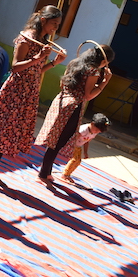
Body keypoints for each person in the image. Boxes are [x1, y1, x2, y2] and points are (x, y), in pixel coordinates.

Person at [0, 6, 65, 188]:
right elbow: (16, 67)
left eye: (58, 25)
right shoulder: (27, 38)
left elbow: (37, 70)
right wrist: (38, 57)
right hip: (15, 90)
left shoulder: (42, 40)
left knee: (10, 132)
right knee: (2, 129)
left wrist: (54, 63)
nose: (55, 28)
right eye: (54, 23)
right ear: (43, 20)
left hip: (29, 92)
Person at [35, 44, 115, 184]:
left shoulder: (74, 63)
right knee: (58, 141)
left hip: (61, 102)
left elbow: (63, 83)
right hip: (73, 107)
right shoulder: (93, 71)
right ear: (103, 61)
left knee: (55, 138)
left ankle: (46, 172)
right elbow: (88, 95)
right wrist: (104, 83)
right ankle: (43, 174)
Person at [60, 113, 110, 184]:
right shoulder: (83, 130)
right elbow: (74, 138)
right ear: (92, 124)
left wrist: (85, 152)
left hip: (78, 147)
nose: (96, 132)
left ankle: (68, 174)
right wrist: (69, 148)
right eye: (96, 130)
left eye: (99, 132)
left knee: (78, 161)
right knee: (74, 160)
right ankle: (64, 174)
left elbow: (87, 141)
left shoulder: (94, 133)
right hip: (72, 145)